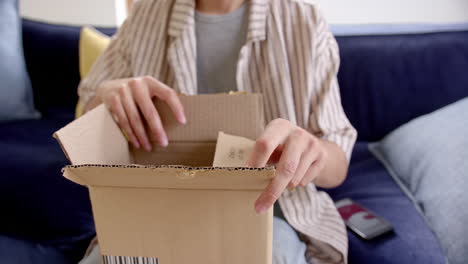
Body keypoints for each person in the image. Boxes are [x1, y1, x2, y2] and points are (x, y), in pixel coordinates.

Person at [78, 0, 357, 263]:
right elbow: (87, 108)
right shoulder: (146, 14)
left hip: (272, 213)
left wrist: (313, 152)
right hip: (160, 208)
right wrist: (106, 96)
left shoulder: (303, 20)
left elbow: (337, 158)